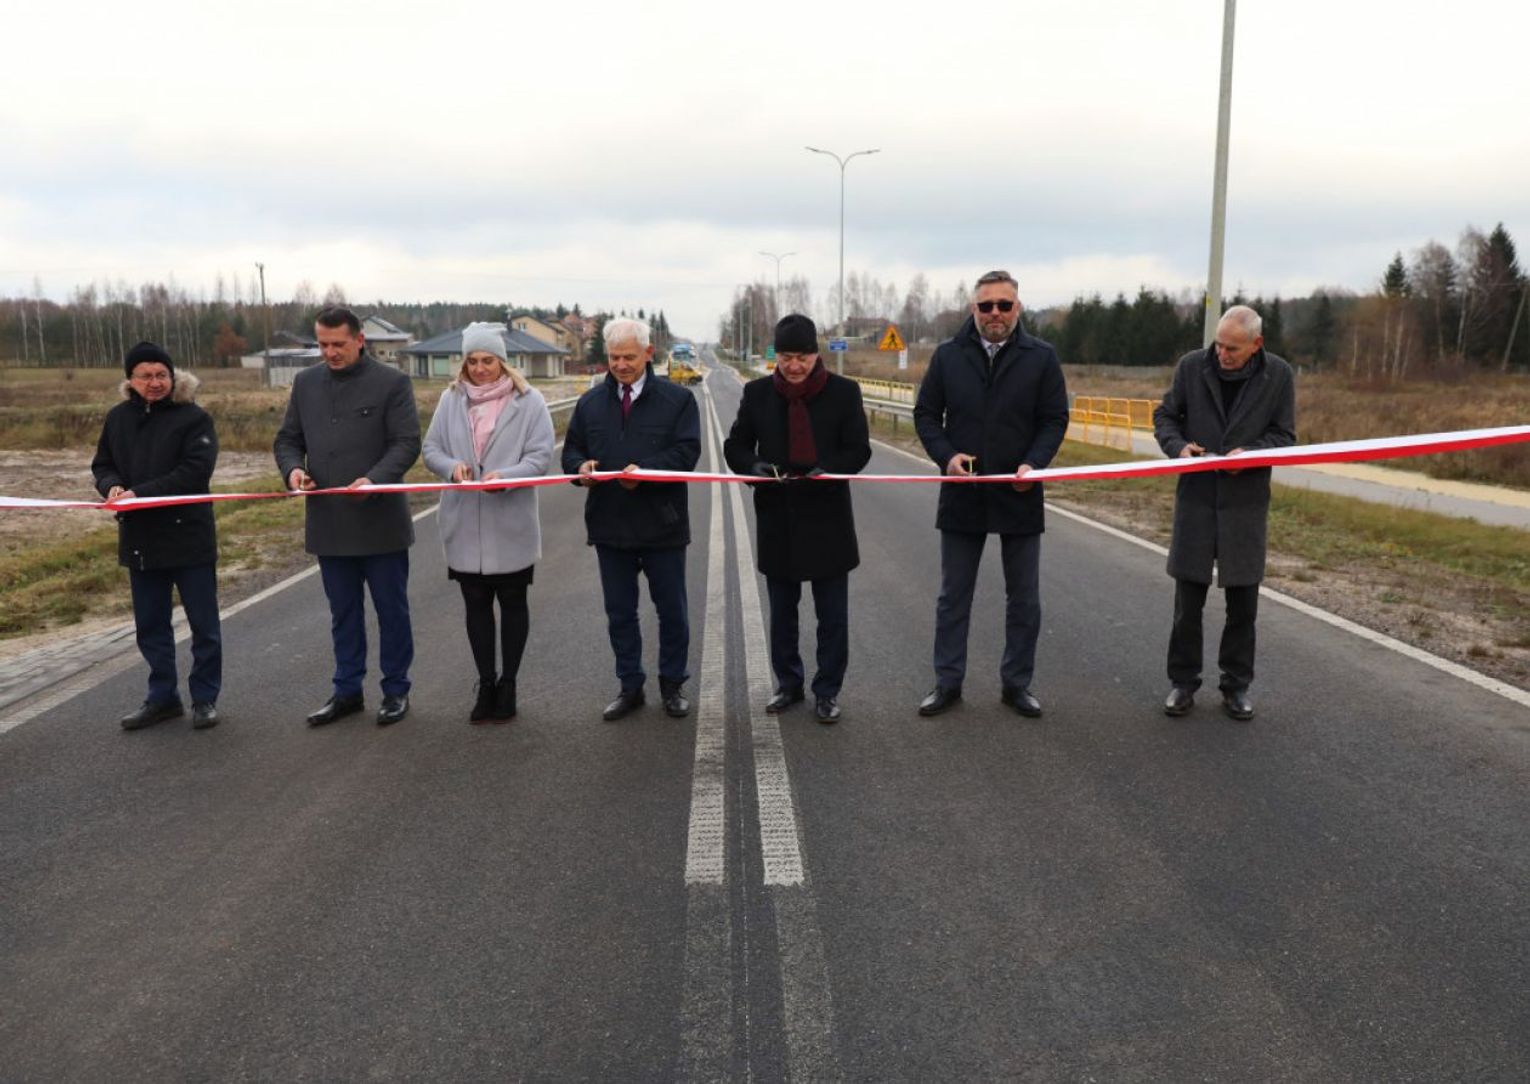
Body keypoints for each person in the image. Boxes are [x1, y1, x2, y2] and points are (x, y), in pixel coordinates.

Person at [912, 269, 1070, 719]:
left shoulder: (1041, 357)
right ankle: (947, 683)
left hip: (1019, 491)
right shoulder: (948, 356)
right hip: (963, 493)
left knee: (1024, 599)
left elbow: (1054, 419)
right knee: (953, 596)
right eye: (986, 306)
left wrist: (1034, 463)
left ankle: (1016, 684)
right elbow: (926, 415)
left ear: (1017, 307)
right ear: (974, 309)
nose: (995, 313)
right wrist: (947, 458)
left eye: (1004, 305)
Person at [274, 305, 421, 727]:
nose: (330, 353)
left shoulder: (392, 383)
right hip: (330, 523)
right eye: (323, 344)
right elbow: (287, 440)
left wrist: (375, 480)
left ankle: (396, 690)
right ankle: (347, 690)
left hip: (380, 522)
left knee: (391, 612)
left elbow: (406, 443)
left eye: (338, 344)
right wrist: (294, 471)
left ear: (360, 339)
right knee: (343, 614)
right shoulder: (306, 383)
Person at [724, 314, 871, 723]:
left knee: (832, 617)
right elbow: (735, 445)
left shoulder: (844, 392)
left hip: (828, 517)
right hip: (779, 516)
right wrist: (752, 466)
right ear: (776, 355)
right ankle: (788, 684)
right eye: (786, 357)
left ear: (815, 354)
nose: (793, 366)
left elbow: (859, 449)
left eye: (802, 357)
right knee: (783, 614)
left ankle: (827, 691)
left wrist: (830, 469)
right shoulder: (757, 394)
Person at [1153, 304, 1296, 721]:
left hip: (1245, 505)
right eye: (1218, 345)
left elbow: (1285, 436)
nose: (1222, 354)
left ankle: (1236, 686)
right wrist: (1179, 448)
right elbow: (1165, 416)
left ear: (1256, 344)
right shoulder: (1191, 367)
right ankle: (1183, 682)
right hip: (1196, 499)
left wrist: (1249, 455)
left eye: (1232, 348)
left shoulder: (1279, 375)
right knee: (1187, 604)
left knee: (1243, 606)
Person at [562, 317, 700, 721]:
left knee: (671, 612)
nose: (621, 365)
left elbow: (687, 453)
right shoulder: (590, 404)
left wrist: (647, 472)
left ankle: (672, 685)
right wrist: (580, 468)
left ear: (648, 354)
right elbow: (571, 452)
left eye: (629, 357)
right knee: (620, 614)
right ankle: (630, 685)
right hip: (610, 525)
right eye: (614, 357)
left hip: (663, 524)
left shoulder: (677, 400)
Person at [422, 323, 555, 723]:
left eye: (488, 361)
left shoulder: (529, 401)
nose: (479, 369)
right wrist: (452, 467)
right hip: (464, 522)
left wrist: (507, 477)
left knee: (513, 602)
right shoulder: (451, 400)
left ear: (503, 362)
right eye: (472, 361)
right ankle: (485, 683)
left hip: (510, 521)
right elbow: (431, 449)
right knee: (476, 604)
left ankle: (509, 684)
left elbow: (540, 456)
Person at [92, 342, 223, 731]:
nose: (155, 382)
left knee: (204, 626)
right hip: (141, 538)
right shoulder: (118, 419)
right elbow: (102, 464)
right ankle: (163, 697)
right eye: (145, 376)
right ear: (130, 380)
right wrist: (112, 486)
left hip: (189, 537)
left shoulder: (194, 418)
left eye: (162, 375)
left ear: (172, 376)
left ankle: (205, 698)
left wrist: (140, 494)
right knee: (151, 626)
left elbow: (194, 471)